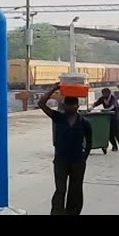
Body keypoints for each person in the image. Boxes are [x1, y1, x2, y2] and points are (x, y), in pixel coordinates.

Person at [38, 83, 92, 215]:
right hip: (61, 161)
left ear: (77, 107)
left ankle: (72, 212)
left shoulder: (84, 123)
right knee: (60, 189)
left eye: (72, 105)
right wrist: (54, 89)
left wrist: (84, 156)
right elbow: (41, 104)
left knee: (76, 189)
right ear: (64, 106)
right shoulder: (58, 118)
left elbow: (89, 141)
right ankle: (57, 212)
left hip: (77, 161)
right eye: (67, 105)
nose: (70, 108)